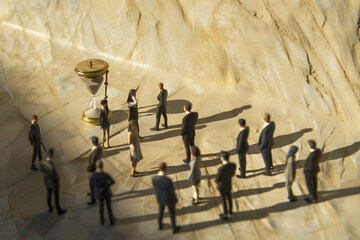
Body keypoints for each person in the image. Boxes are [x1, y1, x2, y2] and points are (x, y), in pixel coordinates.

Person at [152, 162, 180, 234]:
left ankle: (160, 225)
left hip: (160, 198)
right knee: (172, 213)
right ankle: (174, 228)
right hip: (169, 199)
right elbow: (171, 192)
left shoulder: (154, 179)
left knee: (161, 211)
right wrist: (175, 199)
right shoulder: (167, 180)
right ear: (165, 169)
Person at [40, 148, 66, 215]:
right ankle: (58, 209)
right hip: (53, 182)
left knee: (49, 194)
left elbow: (42, 170)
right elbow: (55, 175)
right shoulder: (51, 164)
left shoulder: (42, 162)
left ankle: (50, 207)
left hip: (47, 181)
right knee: (56, 196)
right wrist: (57, 179)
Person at [90, 160, 115, 225]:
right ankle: (111, 220)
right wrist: (107, 185)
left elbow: (91, 186)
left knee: (101, 207)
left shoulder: (93, 176)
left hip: (99, 193)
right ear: (102, 166)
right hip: (106, 192)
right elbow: (112, 181)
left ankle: (102, 221)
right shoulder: (105, 175)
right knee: (109, 207)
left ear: (96, 166)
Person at [215, 151, 236, 220]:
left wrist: (216, 181)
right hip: (228, 184)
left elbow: (217, 179)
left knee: (224, 200)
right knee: (229, 197)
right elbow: (232, 174)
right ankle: (230, 211)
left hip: (222, 185)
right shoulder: (233, 165)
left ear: (223, 158)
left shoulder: (221, 169)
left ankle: (225, 214)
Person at [87, 136, 102, 205]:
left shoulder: (95, 150)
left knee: (92, 183)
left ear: (93, 142)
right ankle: (94, 192)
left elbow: (92, 160)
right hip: (97, 166)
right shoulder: (99, 148)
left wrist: (90, 168)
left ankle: (93, 199)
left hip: (93, 167)